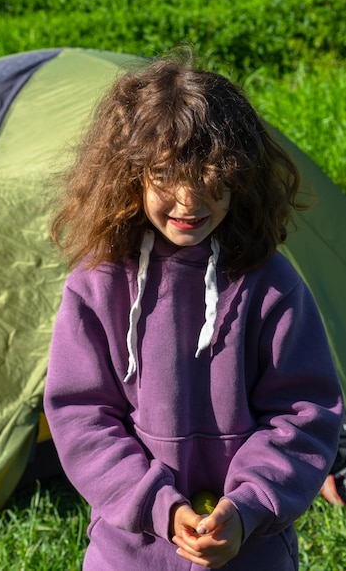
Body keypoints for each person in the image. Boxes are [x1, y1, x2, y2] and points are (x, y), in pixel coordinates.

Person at [44, 55, 343, 570]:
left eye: (212, 175)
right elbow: (82, 418)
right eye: (165, 175)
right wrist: (156, 504)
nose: (189, 200)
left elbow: (304, 413)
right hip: (129, 554)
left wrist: (246, 509)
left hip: (253, 553)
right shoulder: (96, 286)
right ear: (129, 175)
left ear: (241, 173)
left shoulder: (272, 285)